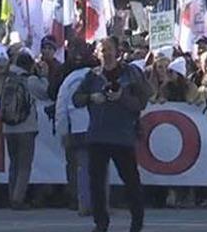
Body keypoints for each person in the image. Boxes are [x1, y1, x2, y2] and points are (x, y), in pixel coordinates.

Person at [73, 38, 152, 232]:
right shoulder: (92, 76)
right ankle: (101, 223)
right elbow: (76, 99)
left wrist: (122, 97)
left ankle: (137, 222)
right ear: (97, 54)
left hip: (123, 136)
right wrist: (92, 97)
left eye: (109, 50)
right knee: (97, 184)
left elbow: (142, 101)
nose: (106, 54)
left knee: (131, 181)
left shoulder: (132, 73)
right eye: (102, 50)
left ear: (117, 52)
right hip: (98, 136)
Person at [1, 51, 49, 209]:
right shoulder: (31, 81)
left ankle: (10, 195)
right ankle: (18, 198)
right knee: (24, 165)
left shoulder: (8, 79)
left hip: (8, 127)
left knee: (13, 163)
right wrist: (43, 76)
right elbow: (45, 92)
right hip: (26, 126)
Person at [56, 64, 93, 216]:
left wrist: (63, 131)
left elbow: (61, 108)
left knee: (80, 167)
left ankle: (82, 203)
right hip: (96, 127)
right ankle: (98, 202)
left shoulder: (69, 80)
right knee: (99, 168)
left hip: (77, 128)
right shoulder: (95, 76)